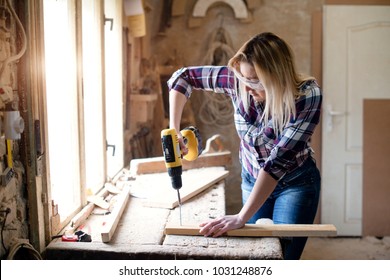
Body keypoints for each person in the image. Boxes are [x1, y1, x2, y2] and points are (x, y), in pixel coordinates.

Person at [167, 32, 322, 260]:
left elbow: (277, 162)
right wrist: (174, 131)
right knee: (256, 256)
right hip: (252, 179)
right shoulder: (237, 80)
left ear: (276, 76)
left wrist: (240, 217)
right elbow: (183, 78)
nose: (246, 88)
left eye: (254, 82)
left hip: (295, 184)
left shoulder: (307, 96)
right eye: (244, 79)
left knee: (284, 259)